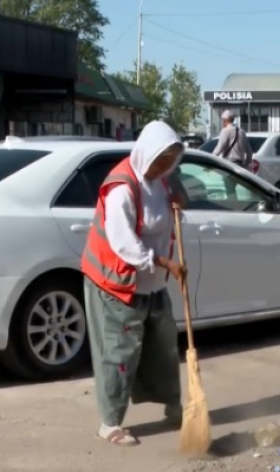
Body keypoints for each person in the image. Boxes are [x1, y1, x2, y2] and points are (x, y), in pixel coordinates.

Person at [81, 121, 188, 446]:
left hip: (152, 284)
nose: (165, 166)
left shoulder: (162, 181)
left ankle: (173, 406)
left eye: (170, 160)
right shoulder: (122, 188)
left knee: (163, 345)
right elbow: (123, 243)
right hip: (117, 282)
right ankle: (110, 422)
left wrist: (180, 202)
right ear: (147, 154)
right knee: (119, 352)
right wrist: (166, 263)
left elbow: (173, 206)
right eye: (161, 160)